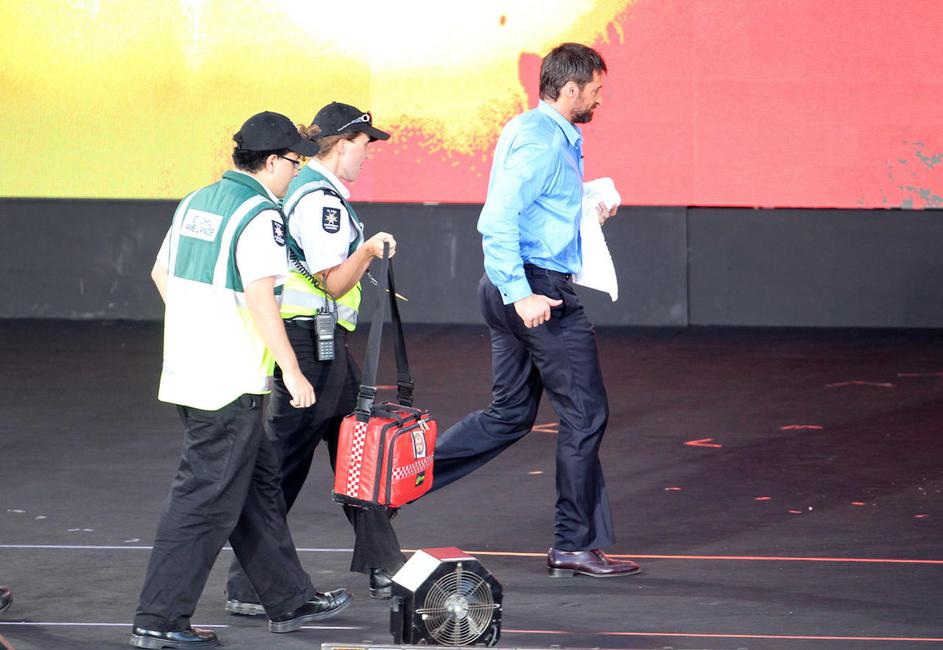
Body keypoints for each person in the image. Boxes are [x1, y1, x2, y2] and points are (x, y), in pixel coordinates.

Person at [131, 111, 351, 650]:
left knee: (256, 484)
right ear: (272, 162)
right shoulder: (260, 214)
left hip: (190, 371)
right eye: (295, 162)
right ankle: (159, 619)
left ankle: (287, 597)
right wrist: (293, 370)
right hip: (229, 382)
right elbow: (260, 299)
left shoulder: (196, 201)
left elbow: (161, 273)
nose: (297, 172)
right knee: (203, 500)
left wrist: (198, 326)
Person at [430, 43, 640, 578]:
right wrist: (521, 292)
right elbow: (497, 217)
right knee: (584, 413)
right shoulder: (544, 143)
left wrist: (584, 209)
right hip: (536, 291)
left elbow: (535, 207)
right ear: (570, 89)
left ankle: (394, 486)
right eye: (595, 90)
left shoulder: (532, 129)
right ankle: (574, 543)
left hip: (515, 286)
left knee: (508, 415)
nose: (600, 99)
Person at [224, 102, 404, 615]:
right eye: (365, 145)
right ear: (343, 145)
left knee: (358, 450)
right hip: (309, 346)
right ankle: (250, 584)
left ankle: (385, 565)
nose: (368, 155)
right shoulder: (320, 200)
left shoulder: (308, 192)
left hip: (322, 346)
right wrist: (368, 251)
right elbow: (333, 282)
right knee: (283, 466)